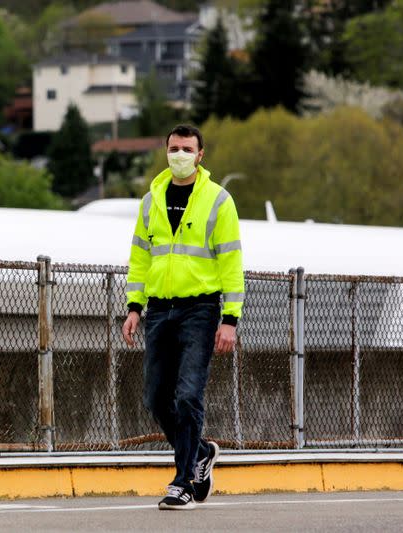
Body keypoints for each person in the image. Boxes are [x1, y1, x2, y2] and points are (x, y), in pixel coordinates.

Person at [121, 124, 244, 510]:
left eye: (187, 148)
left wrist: (231, 318)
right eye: (174, 148)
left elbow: (231, 261)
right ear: (166, 151)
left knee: (188, 395)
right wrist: (134, 307)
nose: (179, 155)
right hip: (159, 309)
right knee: (156, 398)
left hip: (200, 310)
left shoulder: (218, 201)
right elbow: (141, 257)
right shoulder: (151, 200)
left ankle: (183, 481)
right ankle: (201, 453)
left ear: (201, 154)